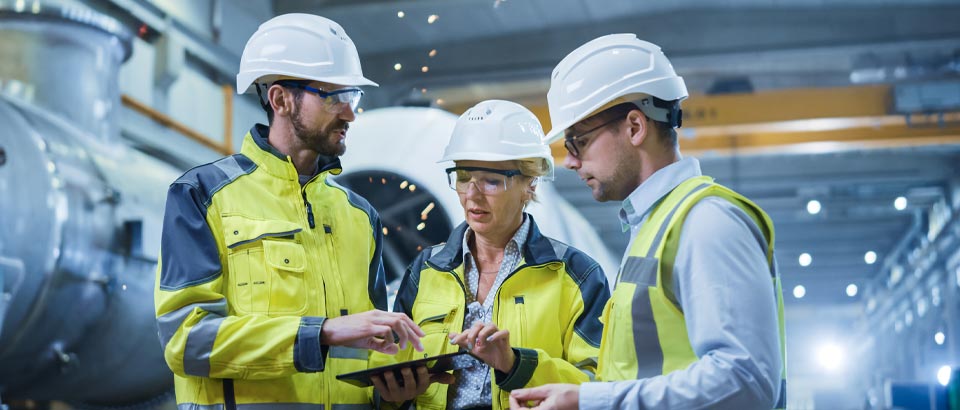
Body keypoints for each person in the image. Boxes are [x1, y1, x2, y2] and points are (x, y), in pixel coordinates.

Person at [153, 14, 425, 409]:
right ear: (280, 99)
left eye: (353, 97)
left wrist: (393, 395)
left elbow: (366, 351)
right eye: (333, 96)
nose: (349, 113)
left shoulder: (360, 216)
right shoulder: (202, 195)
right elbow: (185, 341)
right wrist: (322, 333)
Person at [509, 34, 787, 409]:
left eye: (578, 141)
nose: (570, 161)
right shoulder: (653, 228)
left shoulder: (705, 223)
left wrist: (593, 403)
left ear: (636, 127)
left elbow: (745, 381)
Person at [371, 100, 611, 409]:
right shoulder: (427, 269)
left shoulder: (577, 275)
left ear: (530, 183)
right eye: (463, 177)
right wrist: (392, 397)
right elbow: (391, 370)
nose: (472, 194)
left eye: (491, 181)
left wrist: (515, 364)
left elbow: (598, 388)